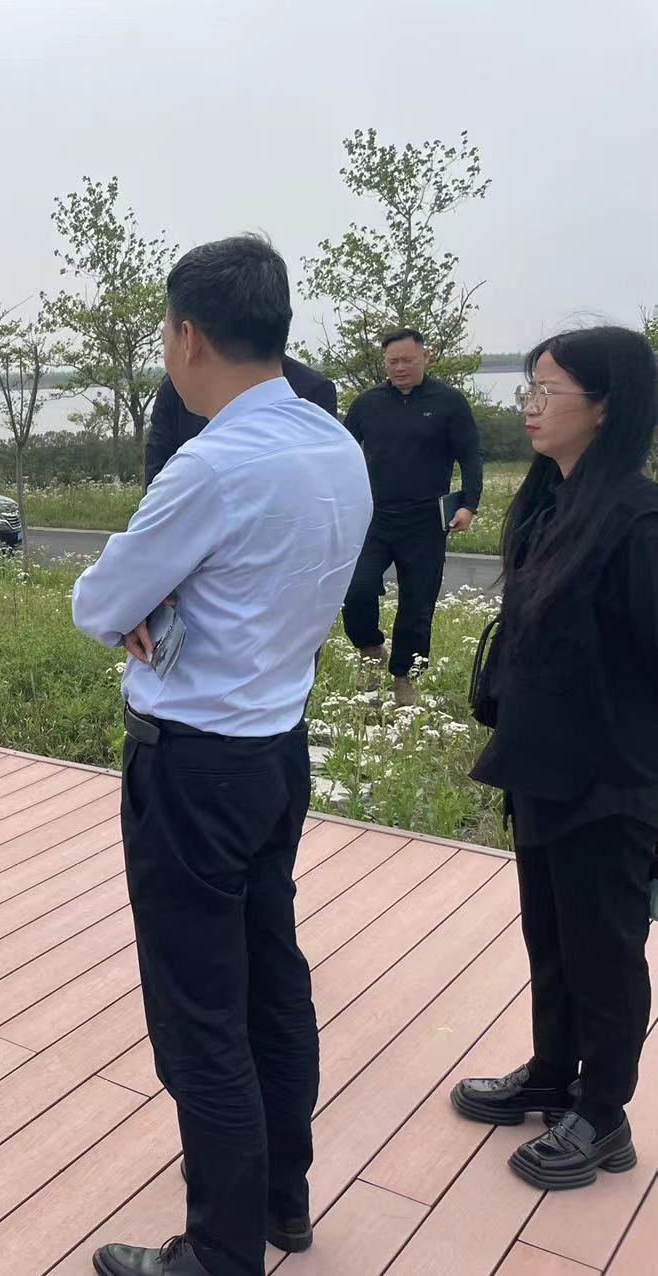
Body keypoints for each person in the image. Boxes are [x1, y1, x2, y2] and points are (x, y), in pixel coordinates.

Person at [73, 236, 372, 1276]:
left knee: (199, 1014)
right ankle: (281, 1198)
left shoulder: (211, 464)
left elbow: (98, 602)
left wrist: (147, 597)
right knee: (270, 978)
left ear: (189, 336)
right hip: (276, 752)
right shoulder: (333, 443)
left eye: (166, 330)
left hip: (193, 767)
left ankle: (219, 1251)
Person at [451, 326, 658, 1191]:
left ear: (605, 408)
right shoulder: (551, 502)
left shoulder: (638, 523)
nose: (529, 408)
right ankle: (552, 1074)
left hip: (611, 781)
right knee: (552, 937)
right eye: (527, 390)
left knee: (605, 949)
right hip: (541, 764)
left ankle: (603, 1113)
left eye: (548, 392)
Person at [340, 329, 484, 706]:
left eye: (407, 360)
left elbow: (470, 454)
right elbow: (341, 451)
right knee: (356, 589)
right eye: (393, 362)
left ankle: (405, 678)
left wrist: (469, 504)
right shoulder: (367, 403)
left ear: (425, 357)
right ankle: (370, 648)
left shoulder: (449, 402)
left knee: (418, 605)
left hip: (425, 520)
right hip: (373, 517)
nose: (400, 368)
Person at [145, 354, 338, 485]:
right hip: (186, 521)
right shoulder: (178, 385)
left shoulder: (314, 389)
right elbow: (157, 463)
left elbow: (320, 477)